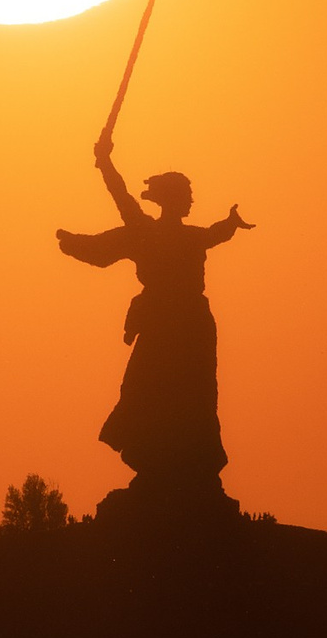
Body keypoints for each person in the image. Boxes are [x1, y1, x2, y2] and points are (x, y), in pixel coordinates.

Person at [56, 135, 253, 498]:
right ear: (172, 199)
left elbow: (214, 235)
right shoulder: (145, 231)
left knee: (193, 397)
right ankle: (158, 468)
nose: (192, 200)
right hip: (169, 325)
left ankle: (193, 470)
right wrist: (105, 162)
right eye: (186, 194)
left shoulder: (187, 236)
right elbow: (121, 196)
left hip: (190, 327)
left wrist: (230, 223)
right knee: (149, 393)